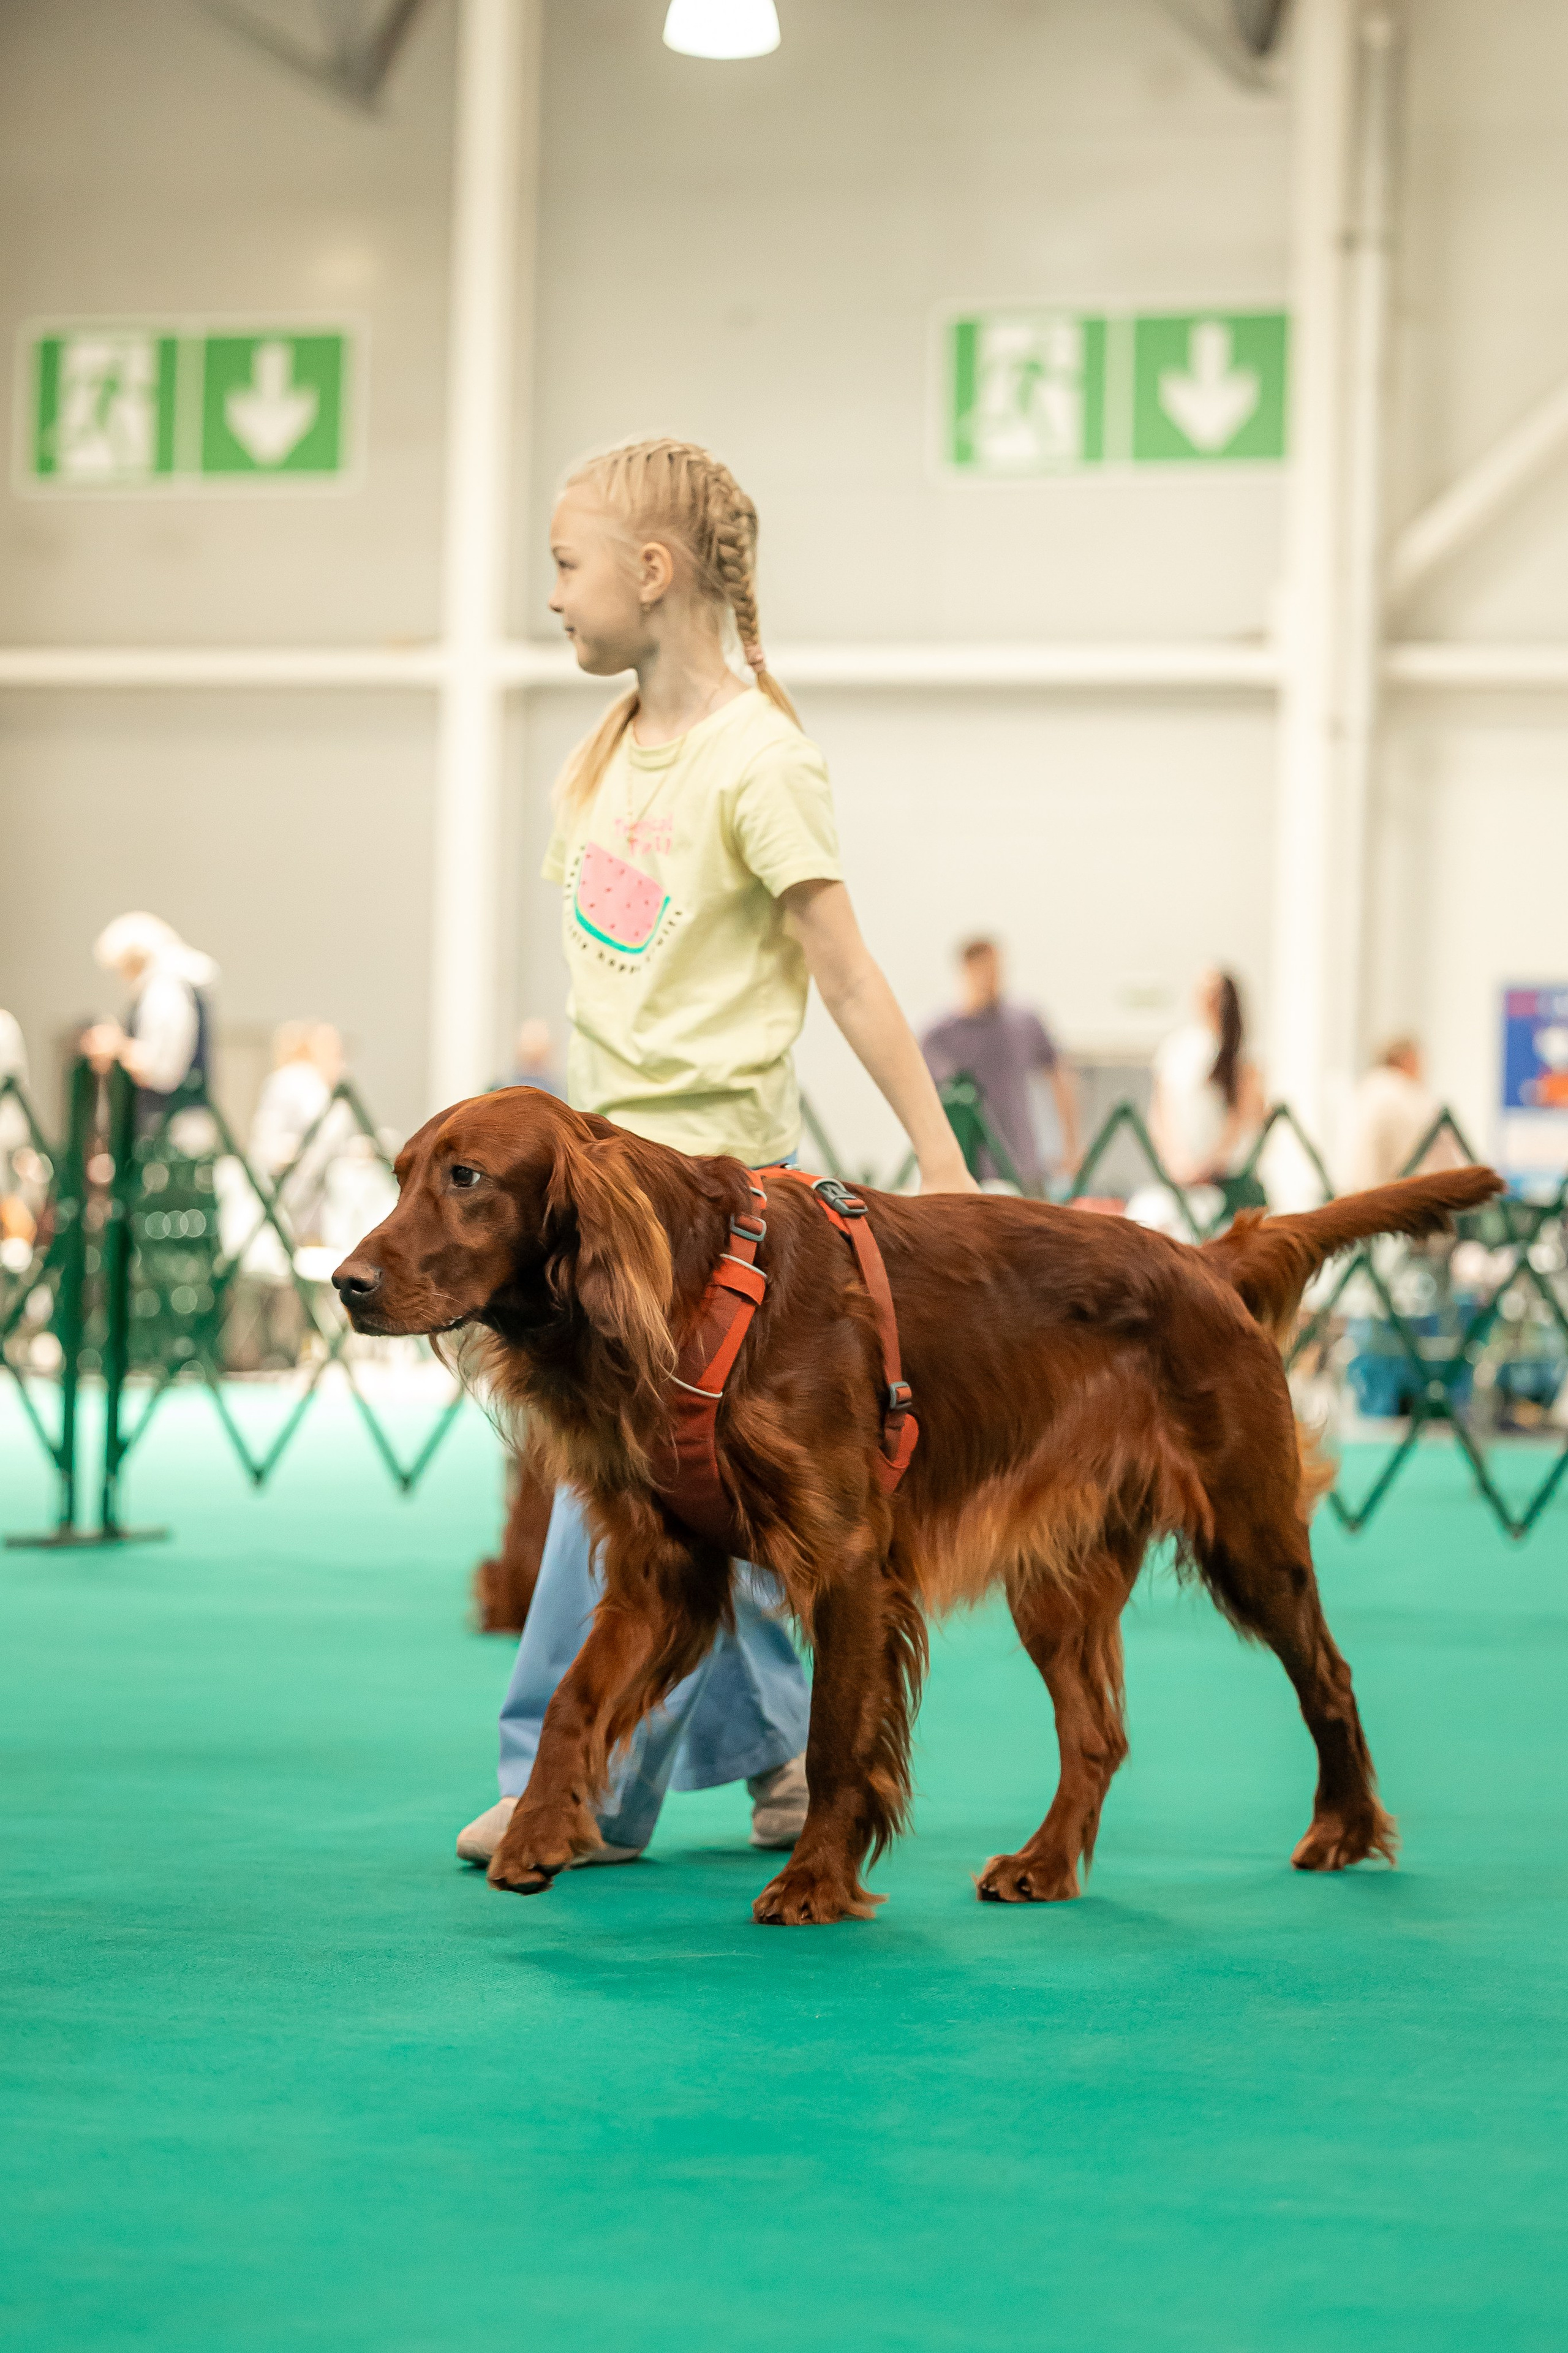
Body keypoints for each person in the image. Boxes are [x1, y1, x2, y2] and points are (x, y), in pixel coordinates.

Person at [457, 436, 975, 1871]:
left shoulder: (762, 759)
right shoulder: (609, 750)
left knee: (617, 1489)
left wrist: (940, 1164)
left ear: (651, 570)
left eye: (565, 565)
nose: (551, 595)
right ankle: (780, 1762)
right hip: (596, 1179)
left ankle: (572, 1786)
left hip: (707, 1215)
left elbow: (851, 976)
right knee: (697, 1500)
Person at [920, 939, 1079, 1189]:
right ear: (966, 970)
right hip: (967, 1169)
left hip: (1024, 1166)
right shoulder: (940, 1036)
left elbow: (1060, 1077)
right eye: (983, 971)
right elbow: (924, 1102)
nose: (991, 979)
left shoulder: (1024, 1023)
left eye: (996, 970)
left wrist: (1070, 1146)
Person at [1148, 967, 1267, 1219]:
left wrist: (1208, 1167)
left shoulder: (1244, 1057)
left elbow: (1244, 1120)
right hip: (1180, 1178)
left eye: (1216, 993)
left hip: (1225, 1182)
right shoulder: (1176, 1049)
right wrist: (1177, 1163)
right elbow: (1159, 1115)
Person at [84, 912, 217, 1128]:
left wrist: (117, 1046)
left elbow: (162, 1071)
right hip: (180, 1120)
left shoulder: (164, 990)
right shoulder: (175, 986)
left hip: (171, 1126)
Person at [1343, 1037, 1457, 1191]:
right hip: (1394, 1203)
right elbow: (1446, 1167)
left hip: (1356, 1198)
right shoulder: (1410, 1098)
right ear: (1408, 1060)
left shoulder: (1364, 1093)